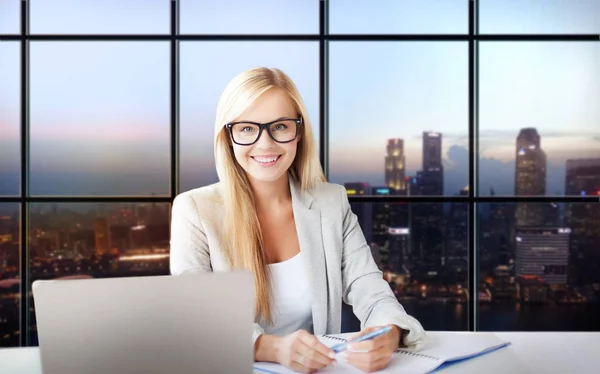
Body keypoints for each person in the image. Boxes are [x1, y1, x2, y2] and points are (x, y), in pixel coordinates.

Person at [170, 67, 427, 373]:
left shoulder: (331, 203)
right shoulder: (195, 210)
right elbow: (196, 317)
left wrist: (387, 332)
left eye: (279, 126)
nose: (265, 144)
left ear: (299, 131)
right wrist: (272, 348)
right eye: (247, 129)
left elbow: (369, 288)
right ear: (228, 137)